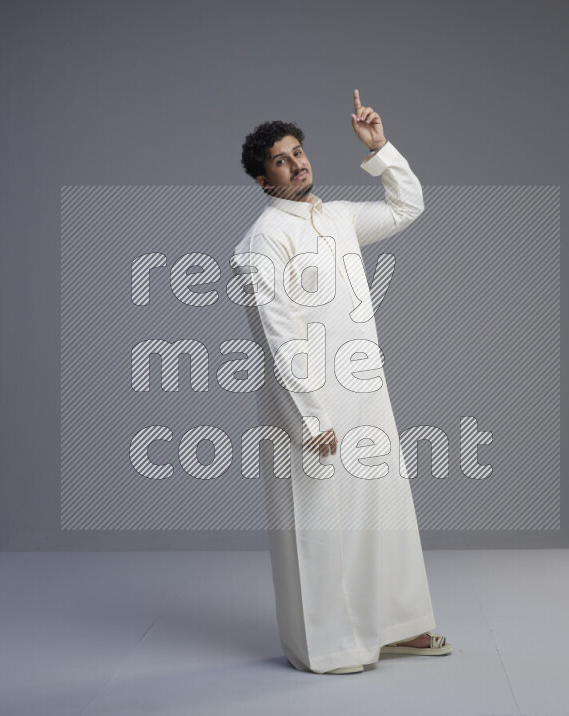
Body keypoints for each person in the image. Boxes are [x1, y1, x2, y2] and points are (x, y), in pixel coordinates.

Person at [232, 90, 451, 674]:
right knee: (318, 522)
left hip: (365, 393)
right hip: (311, 401)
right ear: (262, 178)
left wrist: (380, 150)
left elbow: (408, 206)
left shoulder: (339, 217)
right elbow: (278, 335)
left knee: (381, 511)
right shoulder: (262, 242)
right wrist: (311, 414)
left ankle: (396, 627)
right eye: (282, 159)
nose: (298, 162)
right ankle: (328, 646)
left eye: (299, 151)